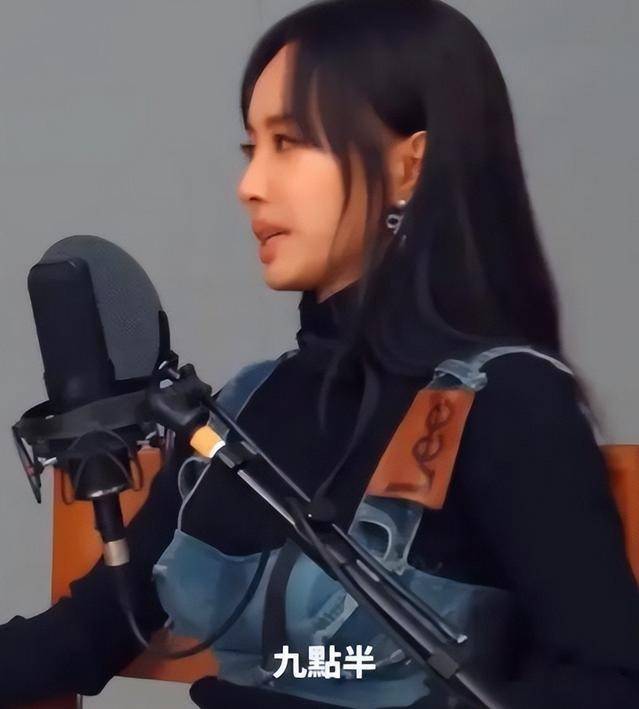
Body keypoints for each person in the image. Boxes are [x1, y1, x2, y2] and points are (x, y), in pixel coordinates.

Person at [2, 1, 638, 707]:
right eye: (251, 148)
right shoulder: (239, 412)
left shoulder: (507, 401)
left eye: (290, 142)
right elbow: (88, 632)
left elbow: (609, 683)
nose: (249, 185)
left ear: (410, 167)